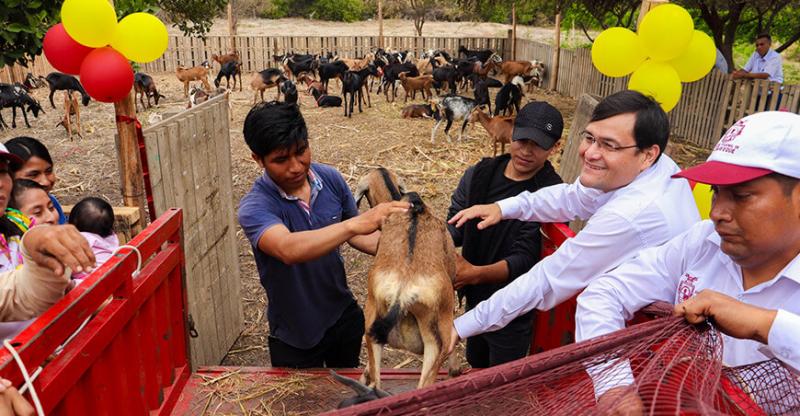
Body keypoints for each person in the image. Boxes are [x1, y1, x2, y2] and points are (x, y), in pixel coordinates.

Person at [576, 111, 800, 411]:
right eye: (716, 193)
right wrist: (615, 386)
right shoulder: (702, 243)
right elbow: (604, 293)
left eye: (742, 195)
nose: (717, 212)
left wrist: (765, 325)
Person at [447, 90, 701, 352]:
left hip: (660, 344)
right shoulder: (653, 165)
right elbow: (574, 197)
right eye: (590, 137)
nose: (590, 153)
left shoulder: (631, 215)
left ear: (648, 154)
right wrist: (504, 207)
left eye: (609, 145)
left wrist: (462, 326)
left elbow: (549, 278)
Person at [237, 102, 408, 368]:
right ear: (257, 159)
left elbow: (357, 236)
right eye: (281, 160)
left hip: (341, 313)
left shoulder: (329, 179)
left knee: (346, 385)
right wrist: (356, 224)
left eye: (301, 151)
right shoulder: (256, 207)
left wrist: (405, 248)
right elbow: (288, 248)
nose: (296, 166)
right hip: (295, 332)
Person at [446, 102, 564, 368]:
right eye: (521, 139)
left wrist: (473, 272)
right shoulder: (479, 174)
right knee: (476, 362)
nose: (526, 150)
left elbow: (525, 259)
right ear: (511, 132)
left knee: (501, 374)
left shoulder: (553, 194)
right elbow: (456, 226)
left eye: (538, 144)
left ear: (555, 148)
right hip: (475, 297)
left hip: (516, 309)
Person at [5, 137, 67, 225]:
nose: (45, 182)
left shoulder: (50, 201)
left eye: (48, 171)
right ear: (9, 176)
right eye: (33, 175)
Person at [68, 197, 119, 280]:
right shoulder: (112, 237)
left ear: (74, 223)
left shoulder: (81, 239)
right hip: (112, 276)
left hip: (91, 283)